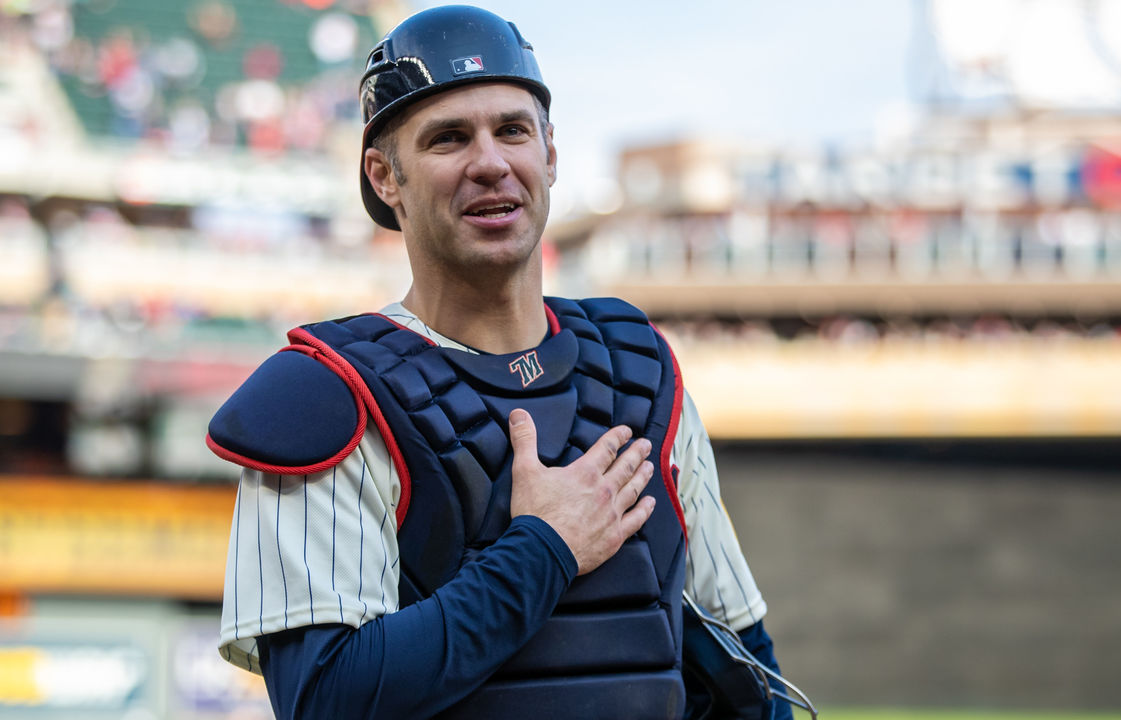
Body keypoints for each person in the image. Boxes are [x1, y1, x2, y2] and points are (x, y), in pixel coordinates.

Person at [206, 5, 791, 719]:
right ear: (385, 177)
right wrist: (543, 548)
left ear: (549, 153)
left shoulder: (641, 371)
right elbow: (326, 700)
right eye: (448, 139)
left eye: (512, 130)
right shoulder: (324, 392)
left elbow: (742, 665)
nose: (490, 162)